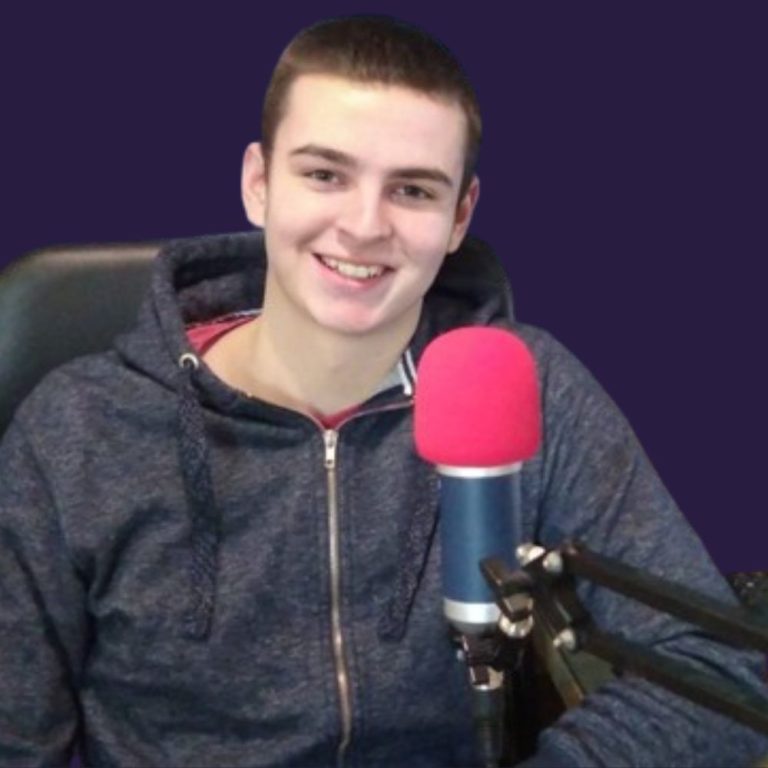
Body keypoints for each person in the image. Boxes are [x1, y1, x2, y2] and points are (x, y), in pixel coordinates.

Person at [0, 15, 766, 768]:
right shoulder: (79, 429)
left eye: (413, 190)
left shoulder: (526, 387)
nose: (365, 226)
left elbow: (718, 669)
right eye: (325, 175)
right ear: (259, 185)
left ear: (459, 217)